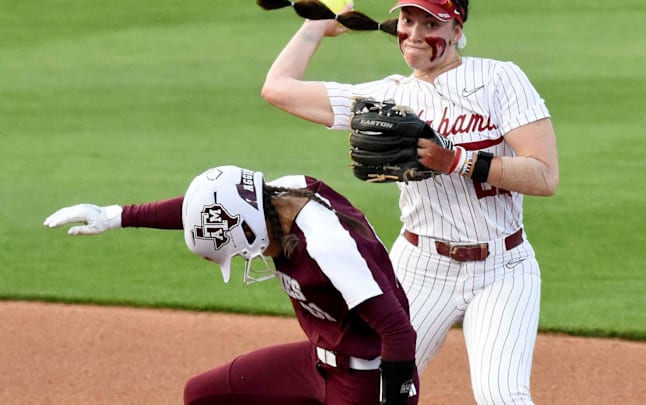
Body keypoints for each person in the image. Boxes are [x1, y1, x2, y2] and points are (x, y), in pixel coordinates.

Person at [260, 0, 560, 403]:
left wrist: (457, 160)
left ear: (456, 28)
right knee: (371, 386)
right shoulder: (385, 97)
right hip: (419, 270)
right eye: (407, 20)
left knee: (502, 395)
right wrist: (318, 25)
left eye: (430, 23)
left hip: (503, 269)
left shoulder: (499, 79)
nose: (415, 33)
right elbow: (277, 89)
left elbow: (544, 175)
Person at [44, 165, 419, 405]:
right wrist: (116, 216)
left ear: (252, 228)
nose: (243, 256)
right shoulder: (277, 195)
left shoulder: (327, 247)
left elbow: (399, 330)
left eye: (239, 250)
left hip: (364, 383)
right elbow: (212, 205)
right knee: (204, 394)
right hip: (315, 362)